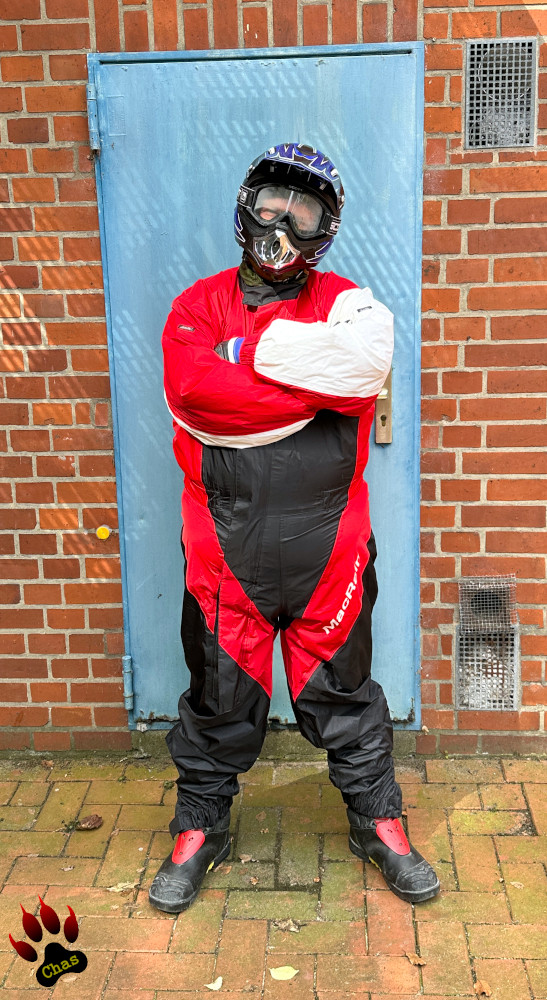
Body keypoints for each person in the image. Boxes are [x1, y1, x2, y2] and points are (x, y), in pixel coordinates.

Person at [149, 143, 440, 914]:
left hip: (329, 553)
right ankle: (199, 828)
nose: (281, 223)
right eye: (272, 203)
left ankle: (376, 821)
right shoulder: (194, 306)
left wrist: (245, 358)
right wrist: (312, 385)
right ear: (246, 203)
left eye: (302, 212)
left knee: (346, 695)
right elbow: (198, 394)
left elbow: (362, 368)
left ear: (325, 229)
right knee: (216, 697)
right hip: (224, 553)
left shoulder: (349, 302)